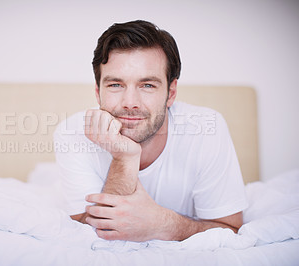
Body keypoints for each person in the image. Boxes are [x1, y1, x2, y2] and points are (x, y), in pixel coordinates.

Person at [54, 20, 248, 242]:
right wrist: (124, 157)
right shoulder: (72, 134)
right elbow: (94, 237)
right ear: (98, 93)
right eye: (115, 85)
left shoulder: (206, 129)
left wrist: (164, 224)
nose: (130, 103)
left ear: (171, 93)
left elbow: (229, 229)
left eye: (147, 85)